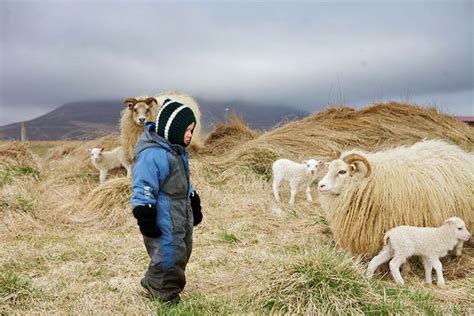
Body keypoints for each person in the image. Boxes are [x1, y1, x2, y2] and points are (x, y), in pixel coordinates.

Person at [131, 98, 203, 304]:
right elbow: (143, 186)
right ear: (172, 129)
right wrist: (145, 214)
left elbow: (183, 181)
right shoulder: (153, 155)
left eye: (192, 129)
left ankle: (155, 282)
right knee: (168, 255)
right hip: (162, 215)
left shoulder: (177, 152)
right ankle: (162, 293)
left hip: (180, 213)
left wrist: (193, 199)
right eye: (186, 130)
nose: (190, 134)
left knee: (182, 251)